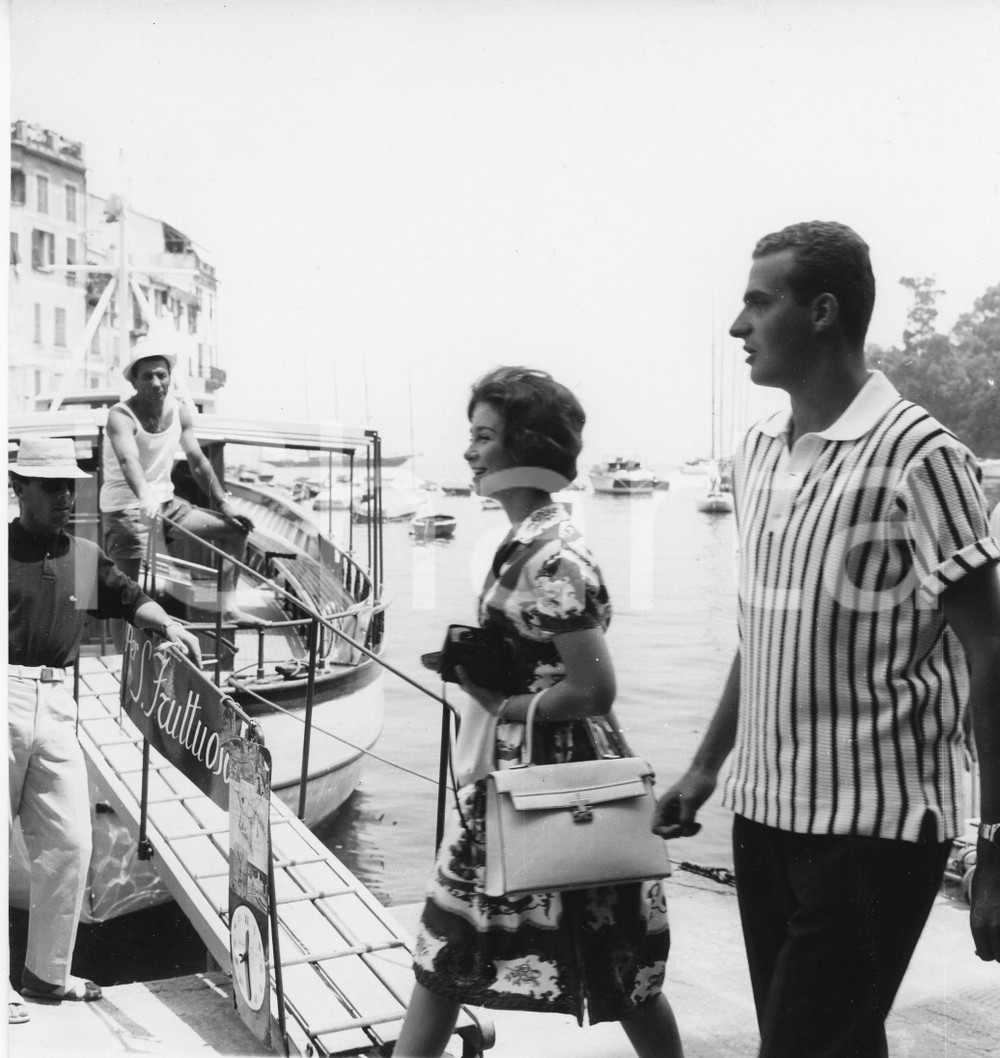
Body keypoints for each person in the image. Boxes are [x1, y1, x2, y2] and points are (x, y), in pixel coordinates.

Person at [653, 221, 1000, 1057]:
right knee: (827, 1042)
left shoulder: (921, 456)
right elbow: (762, 625)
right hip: (765, 816)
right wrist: (706, 768)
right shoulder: (757, 454)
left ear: (822, 312)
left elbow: (994, 652)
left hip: (875, 829)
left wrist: (995, 847)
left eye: (758, 302)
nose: (738, 325)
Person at [394, 367, 683, 1058]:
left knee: (462, 946)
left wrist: (507, 703)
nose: (469, 453)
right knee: (476, 946)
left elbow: (592, 687)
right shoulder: (534, 536)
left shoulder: (550, 552)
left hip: (549, 771)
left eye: (483, 437)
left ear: (524, 447)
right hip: (533, 765)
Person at [8, 436, 203, 1021]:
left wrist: (165, 623)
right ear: (18, 489)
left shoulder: (84, 556)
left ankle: (46, 976)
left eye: (70, 485)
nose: (65, 496)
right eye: (51, 487)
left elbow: (128, 599)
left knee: (71, 842)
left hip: (59, 704)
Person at [100, 335, 264, 631]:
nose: (156, 383)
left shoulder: (179, 411)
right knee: (124, 594)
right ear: (134, 381)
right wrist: (145, 497)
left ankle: (228, 608)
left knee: (236, 531)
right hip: (127, 509)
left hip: (167, 505)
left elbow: (198, 461)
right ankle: (122, 666)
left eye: (161, 375)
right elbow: (129, 462)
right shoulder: (120, 416)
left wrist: (224, 503)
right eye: (147, 376)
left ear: (170, 377)